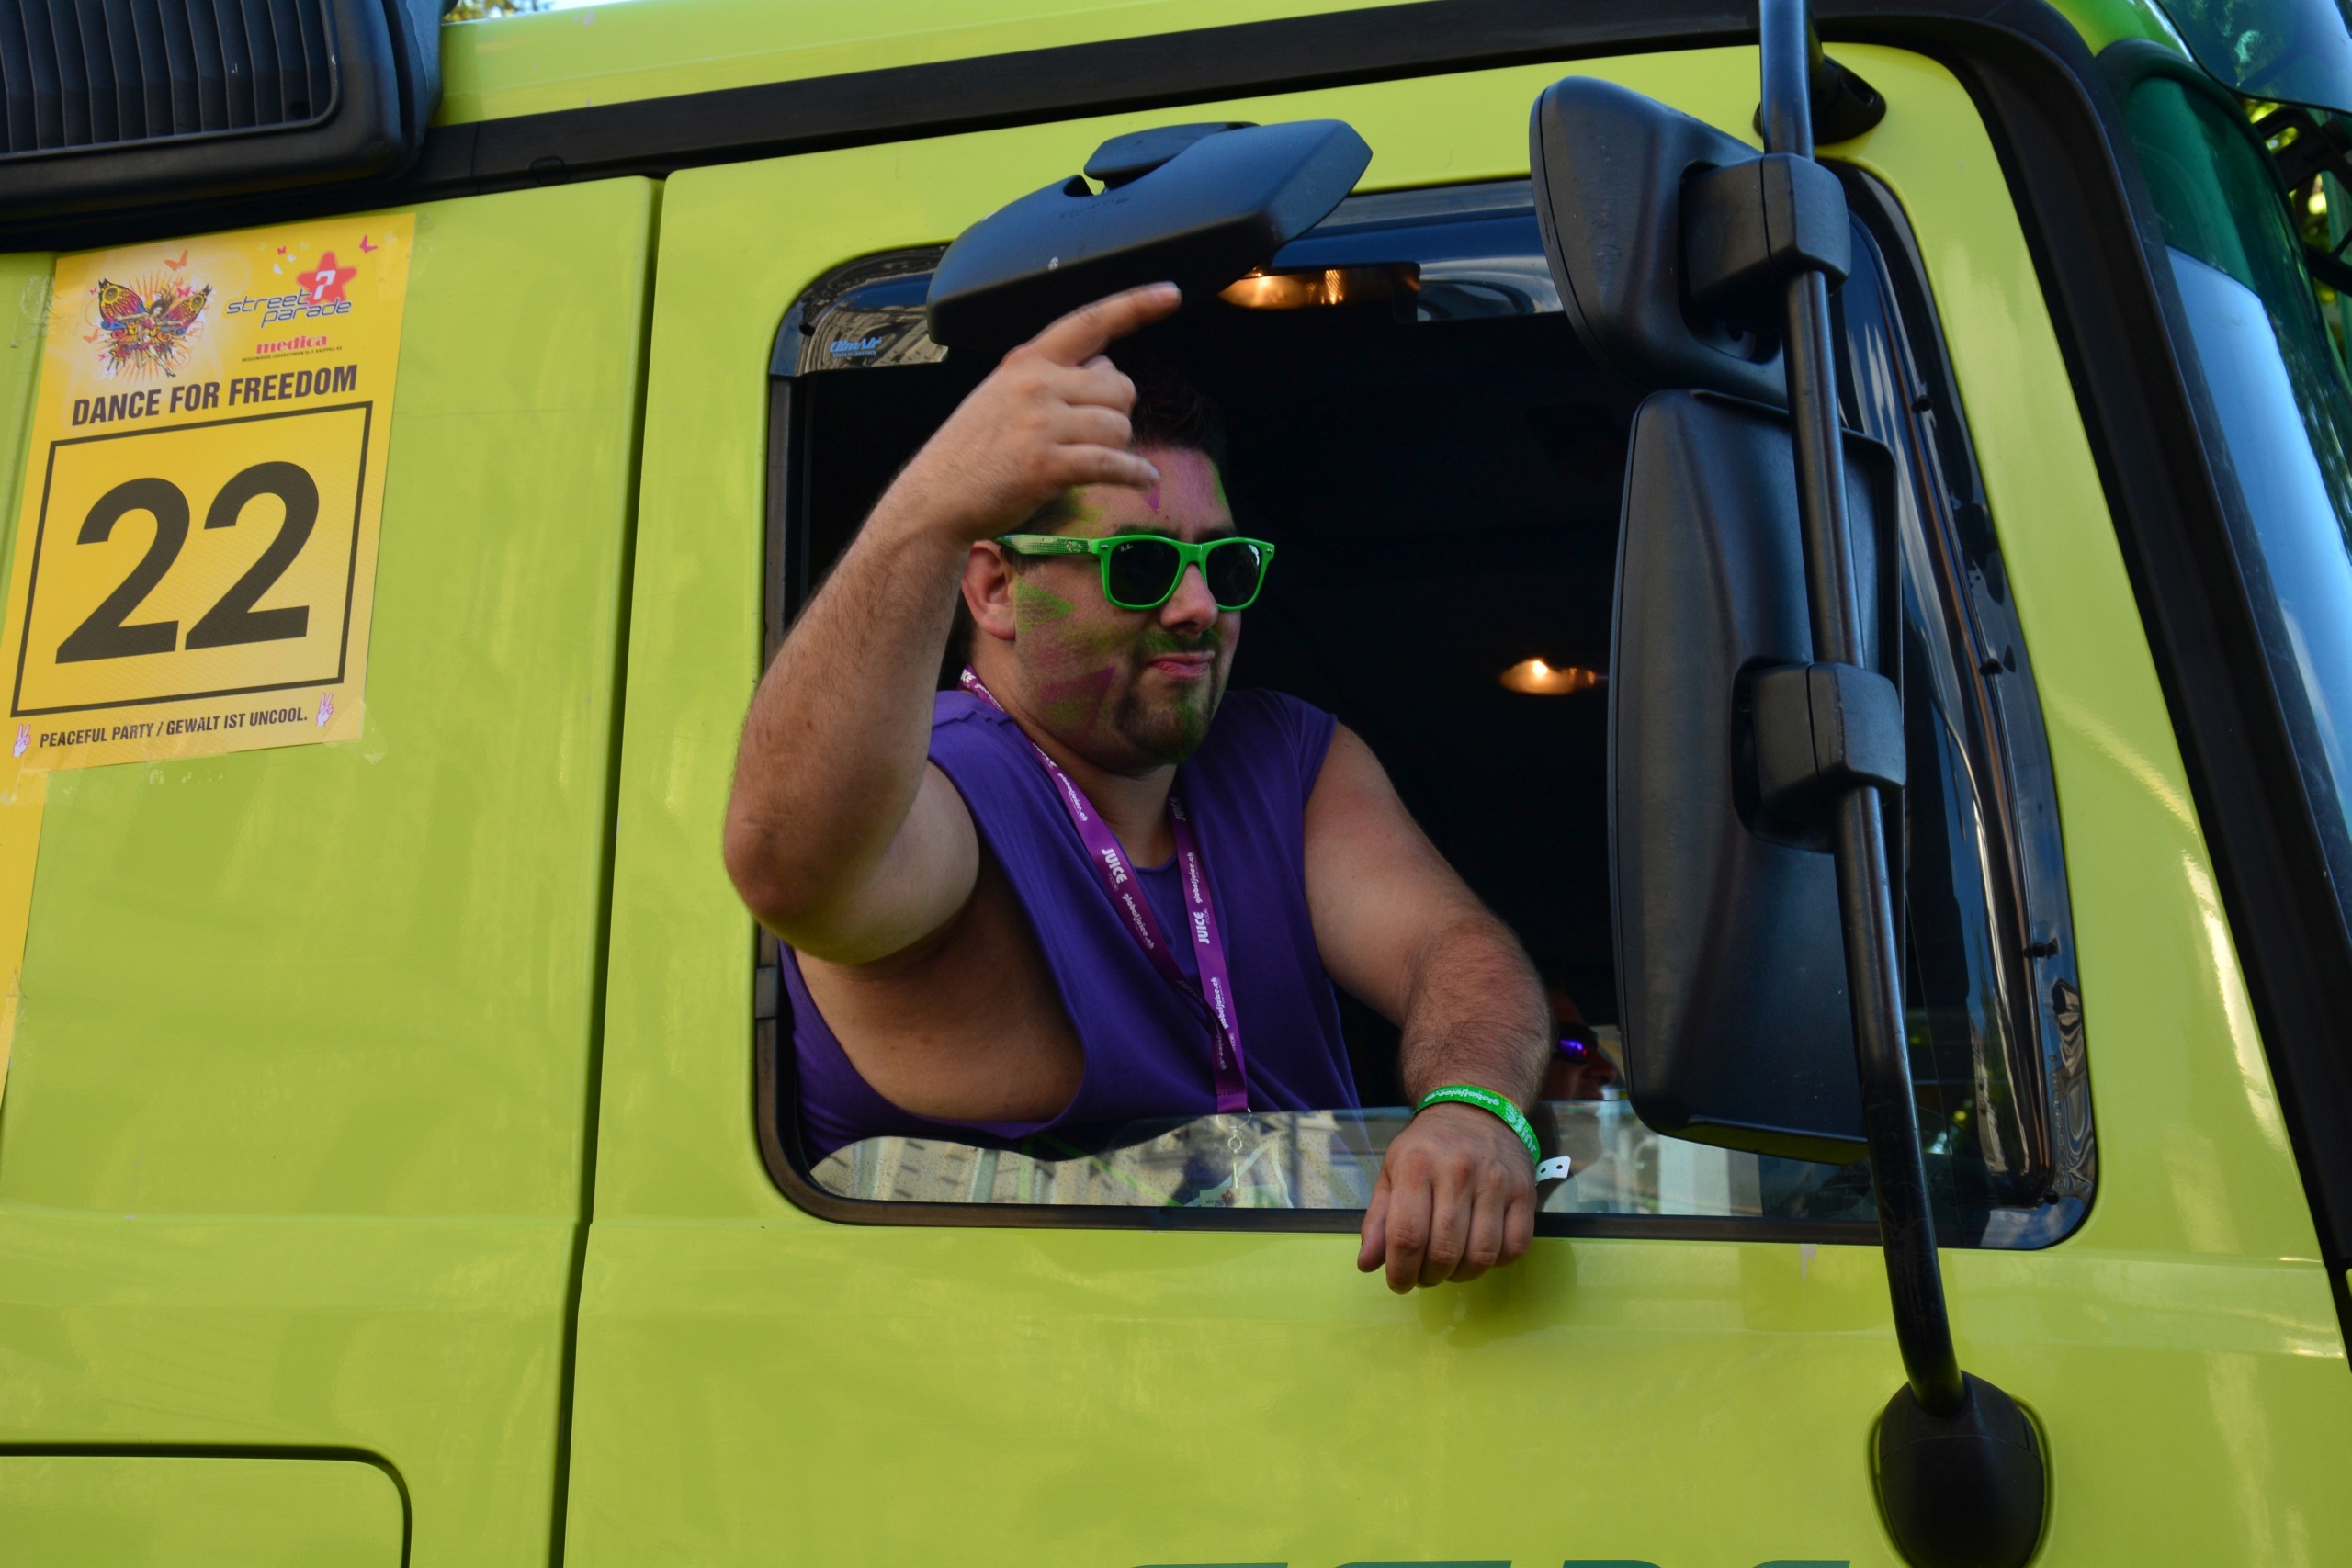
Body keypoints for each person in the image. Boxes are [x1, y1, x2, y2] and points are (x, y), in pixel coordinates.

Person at [723, 283, 1554, 1292]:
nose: (1199, 606)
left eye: (1224, 564)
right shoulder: (944, 784)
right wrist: (930, 510)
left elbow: (1449, 949)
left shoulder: (1284, 754)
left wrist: (1473, 1108)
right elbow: (789, 866)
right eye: (1142, 564)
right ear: (995, 588)